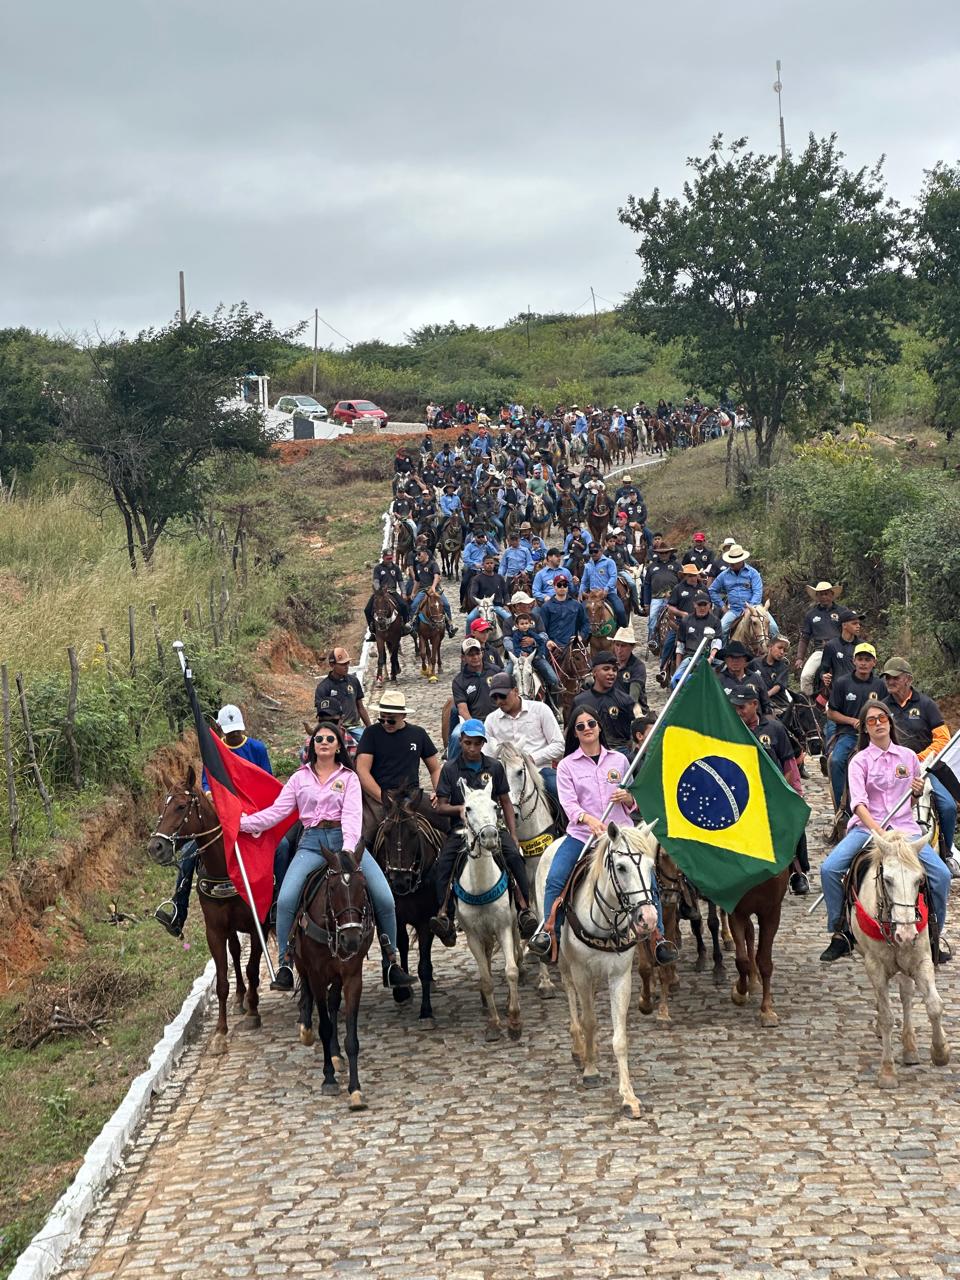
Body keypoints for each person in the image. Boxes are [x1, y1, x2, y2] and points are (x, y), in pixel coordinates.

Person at [238, 722, 414, 992]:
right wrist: (243, 824)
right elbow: (277, 812)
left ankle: (391, 962)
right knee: (285, 899)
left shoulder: (349, 778)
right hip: (312, 844)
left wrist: (348, 851)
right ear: (312, 745)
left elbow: (352, 816)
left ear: (338, 746)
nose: (323, 742)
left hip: (345, 842)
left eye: (329, 739)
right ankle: (286, 963)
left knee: (384, 897)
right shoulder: (299, 778)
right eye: (318, 739)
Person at [527, 710, 677, 964]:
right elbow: (569, 803)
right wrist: (588, 819)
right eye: (580, 726)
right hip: (582, 835)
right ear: (575, 733)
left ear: (599, 727)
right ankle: (550, 933)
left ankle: (657, 938)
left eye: (591, 723)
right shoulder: (566, 766)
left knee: (647, 880)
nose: (587, 728)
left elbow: (634, 798)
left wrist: (629, 798)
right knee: (555, 878)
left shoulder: (620, 760)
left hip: (621, 835)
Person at [819, 701, 951, 963]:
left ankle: (934, 935)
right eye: (871, 721)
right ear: (865, 729)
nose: (878, 723)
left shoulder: (908, 757)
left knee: (942, 875)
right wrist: (879, 832)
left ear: (890, 722)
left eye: (882, 718)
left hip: (905, 831)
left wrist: (915, 793)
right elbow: (858, 804)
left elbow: (910, 802)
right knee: (829, 869)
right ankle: (841, 931)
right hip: (868, 829)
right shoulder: (859, 761)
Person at [154, 705, 272, 938]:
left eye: (236, 731)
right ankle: (179, 910)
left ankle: (275, 903)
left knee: (279, 848)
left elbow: (265, 778)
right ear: (220, 729)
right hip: (222, 814)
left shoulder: (257, 748)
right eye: (229, 732)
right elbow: (207, 782)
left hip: (252, 814)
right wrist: (212, 796)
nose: (234, 735)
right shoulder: (214, 752)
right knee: (189, 854)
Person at [428, 720, 538, 946]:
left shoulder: (494, 767)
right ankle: (445, 913)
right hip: (462, 829)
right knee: (444, 864)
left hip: (492, 826)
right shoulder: (450, 769)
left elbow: (505, 801)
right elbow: (441, 806)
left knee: (514, 857)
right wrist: (460, 809)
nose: (472, 748)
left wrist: (512, 834)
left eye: (477, 743)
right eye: (468, 743)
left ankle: (524, 909)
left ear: (483, 744)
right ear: (461, 741)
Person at [729, 684, 810, 895]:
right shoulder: (730, 730)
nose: (738, 712)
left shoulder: (774, 728)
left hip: (774, 793)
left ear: (755, 704)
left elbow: (788, 764)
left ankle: (798, 873)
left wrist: (786, 792)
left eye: (742, 707)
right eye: (735, 707)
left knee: (794, 823)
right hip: (740, 795)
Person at [881, 656, 958, 872]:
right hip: (891, 768)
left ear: (908, 679)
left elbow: (943, 739)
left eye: (895, 677)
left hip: (925, 768)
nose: (890, 681)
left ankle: (947, 852)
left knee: (948, 806)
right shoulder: (882, 706)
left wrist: (919, 759)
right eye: (887, 677)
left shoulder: (926, 705)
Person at [354, 690, 449, 848]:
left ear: (403, 716)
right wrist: (383, 798)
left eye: (391, 720)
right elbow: (362, 771)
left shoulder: (418, 734)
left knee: (448, 822)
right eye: (382, 719)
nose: (386, 723)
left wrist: (439, 791)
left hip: (411, 795)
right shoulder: (371, 733)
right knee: (364, 836)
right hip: (381, 795)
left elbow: (434, 769)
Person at [483, 672, 564, 805]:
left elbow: (559, 745)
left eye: (502, 696)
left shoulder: (540, 709)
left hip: (540, 771)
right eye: (494, 698)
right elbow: (486, 756)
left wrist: (532, 758)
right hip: (507, 776)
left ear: (516, 691)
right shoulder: (491, 720)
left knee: (558, 791)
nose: (499, 701)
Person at [826, 642, 887, 811]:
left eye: (867, 659)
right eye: (860, 659)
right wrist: (852, 721)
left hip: (875, 737)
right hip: (848, 734)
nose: (863, 663)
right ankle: (841, 808)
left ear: (874, 662)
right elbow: (831, 713)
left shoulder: (881, 686)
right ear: (854, 661)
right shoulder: (842, 683)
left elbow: (887, 713)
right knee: (836, 761)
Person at [709, 544, 780, 641]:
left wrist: (750, 608)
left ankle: (773, 649)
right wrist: (722, 606)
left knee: (774, 629)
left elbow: (757, 593)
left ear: (741, 560)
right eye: (730, 561)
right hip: (735, 610)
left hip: (755, 608)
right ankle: (722, 650)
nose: (731, 563)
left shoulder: (753, 573)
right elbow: (712, 590)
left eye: (734, 561)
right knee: (721, 630)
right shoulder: (724, 575)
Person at [571, 651, 637, 753]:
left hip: (619, 751)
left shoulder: (626, 700)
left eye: (614, 670)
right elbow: (571, 731)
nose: (611, 673)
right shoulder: (580, 701)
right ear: (594, 672)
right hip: (590, 752)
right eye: (606, 669)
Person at [313, 647, 371, 745]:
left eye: (347, 663)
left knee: (369, 745)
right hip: (334, 728)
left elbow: (360, 706)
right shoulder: (323, 687)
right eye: (342, 664)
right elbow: (321, 715)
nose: (346, 666)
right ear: (332, 665)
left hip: (355, 727)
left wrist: (370, 728)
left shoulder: (353, 681)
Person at [795, 581, 844, 695]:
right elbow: (805, 637)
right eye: (821, 594)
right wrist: (799, 657)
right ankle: (807, 703)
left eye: (826, 593)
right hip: (820, 651)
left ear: (832, 594)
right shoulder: (811, 614)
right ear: (817, 596)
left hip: (840, 649)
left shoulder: (842, 611)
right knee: (806, 676)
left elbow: (850, 631)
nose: (824, 597)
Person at [671, 592, 723, 687]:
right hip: (690, 657)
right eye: (699, 605)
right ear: (694, 605)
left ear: (709, 605)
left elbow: (717, 641)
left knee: (726, 672)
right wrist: (678, 666)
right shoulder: (686, 620)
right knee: (674, 681)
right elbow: (680, 645)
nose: (702, 608)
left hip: (709, 658)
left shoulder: (715, 621)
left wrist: (711, 657)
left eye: (705, 605)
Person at [407, 547, 456, 637]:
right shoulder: (417, 566)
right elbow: (417, 581)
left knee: (445, 604)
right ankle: (412, 624)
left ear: (425, 553)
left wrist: (433, 587)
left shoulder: (433, 564)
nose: (417, 556)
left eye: (419, 554)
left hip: (435, 590)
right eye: (417, 554)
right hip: (423, 590)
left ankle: (450, 626)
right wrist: (413, 592)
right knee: (414, 605)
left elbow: (436, 576)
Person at [643, 544, 683, 650]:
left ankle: (682, 639)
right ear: (658, 553)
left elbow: (682, 582)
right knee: (652, 619)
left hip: (674, 598)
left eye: (666, 552)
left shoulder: (677, 566)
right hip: (656, 598)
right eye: (661, 553)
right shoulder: (651, 567)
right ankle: (653, 641)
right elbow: (646, 585)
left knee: (680, 618)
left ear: (670, 553)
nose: (664, 554)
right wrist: (646, 603)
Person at [363, 549, 410, 638]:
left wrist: (403, 593)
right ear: (383, 557)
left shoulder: (396, 568)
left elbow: (400, 581)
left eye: (390, 558)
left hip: (392, 591)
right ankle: (372, 628)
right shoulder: (378, 568)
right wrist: (378, 591)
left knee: (403, 605)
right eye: (387, 558)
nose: (389, 560)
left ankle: (405, 623)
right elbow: (376, 581)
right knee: (367, 609)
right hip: (380, 593)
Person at [580, 542, 628, 628]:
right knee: (579, 613)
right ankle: (581, 634)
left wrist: (606, 589)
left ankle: (623, 630)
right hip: (593, 596)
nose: (593, 554)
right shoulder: (588, 566)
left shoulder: (609, 562)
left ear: (601, 551)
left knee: (620, 610)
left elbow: (613, 577)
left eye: (595, 551)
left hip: (608, 593)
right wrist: (581, 592)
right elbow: (584, 582)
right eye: (591, 552)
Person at [540, 574, 591, 653]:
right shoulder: (546, 607)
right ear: (554, 587)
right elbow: (541, 629)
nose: (562, 587)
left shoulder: (576, 605)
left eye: (565, 585)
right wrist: (547, 641)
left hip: (572, 646)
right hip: (553, 648)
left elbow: (586, 623)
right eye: (559, 585)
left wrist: (581, 636)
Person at [612, 626, 649, 714]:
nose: (619, 650)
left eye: (623, 646)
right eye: (617, 645)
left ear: (632, 647)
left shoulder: (638, 667)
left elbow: (633, 697)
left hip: (635, 711)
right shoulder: (609, 663)